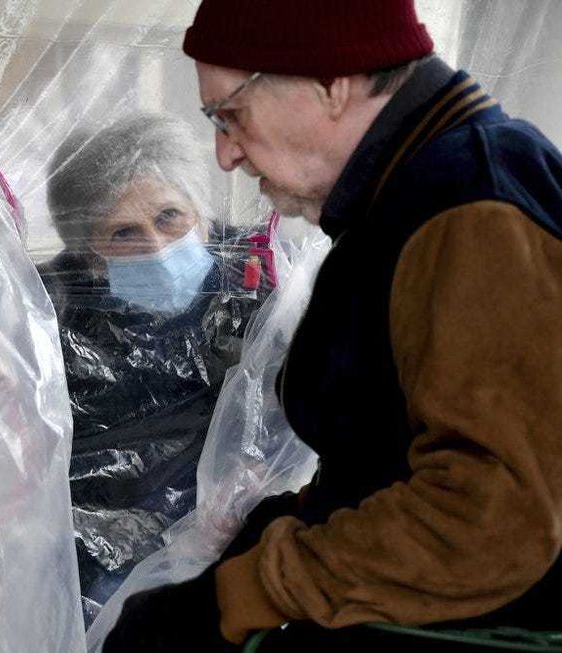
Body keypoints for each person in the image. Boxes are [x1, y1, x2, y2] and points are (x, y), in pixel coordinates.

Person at [104, 1, 562, 651]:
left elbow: (490, 518)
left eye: (230, 114)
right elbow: (391, 454)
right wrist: (278, 527)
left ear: (332, 81)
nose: (224, 154)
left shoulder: (473, 209)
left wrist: (241, 594)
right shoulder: (411, 196)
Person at [39, 114, 277, 624]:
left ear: (201, 213)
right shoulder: (53, 305)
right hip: (103, 554)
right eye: (123, 232)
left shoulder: (260, 275)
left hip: (241, 540)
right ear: (88, 256)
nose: (156, 245)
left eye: (170, 216)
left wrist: (256, 475)